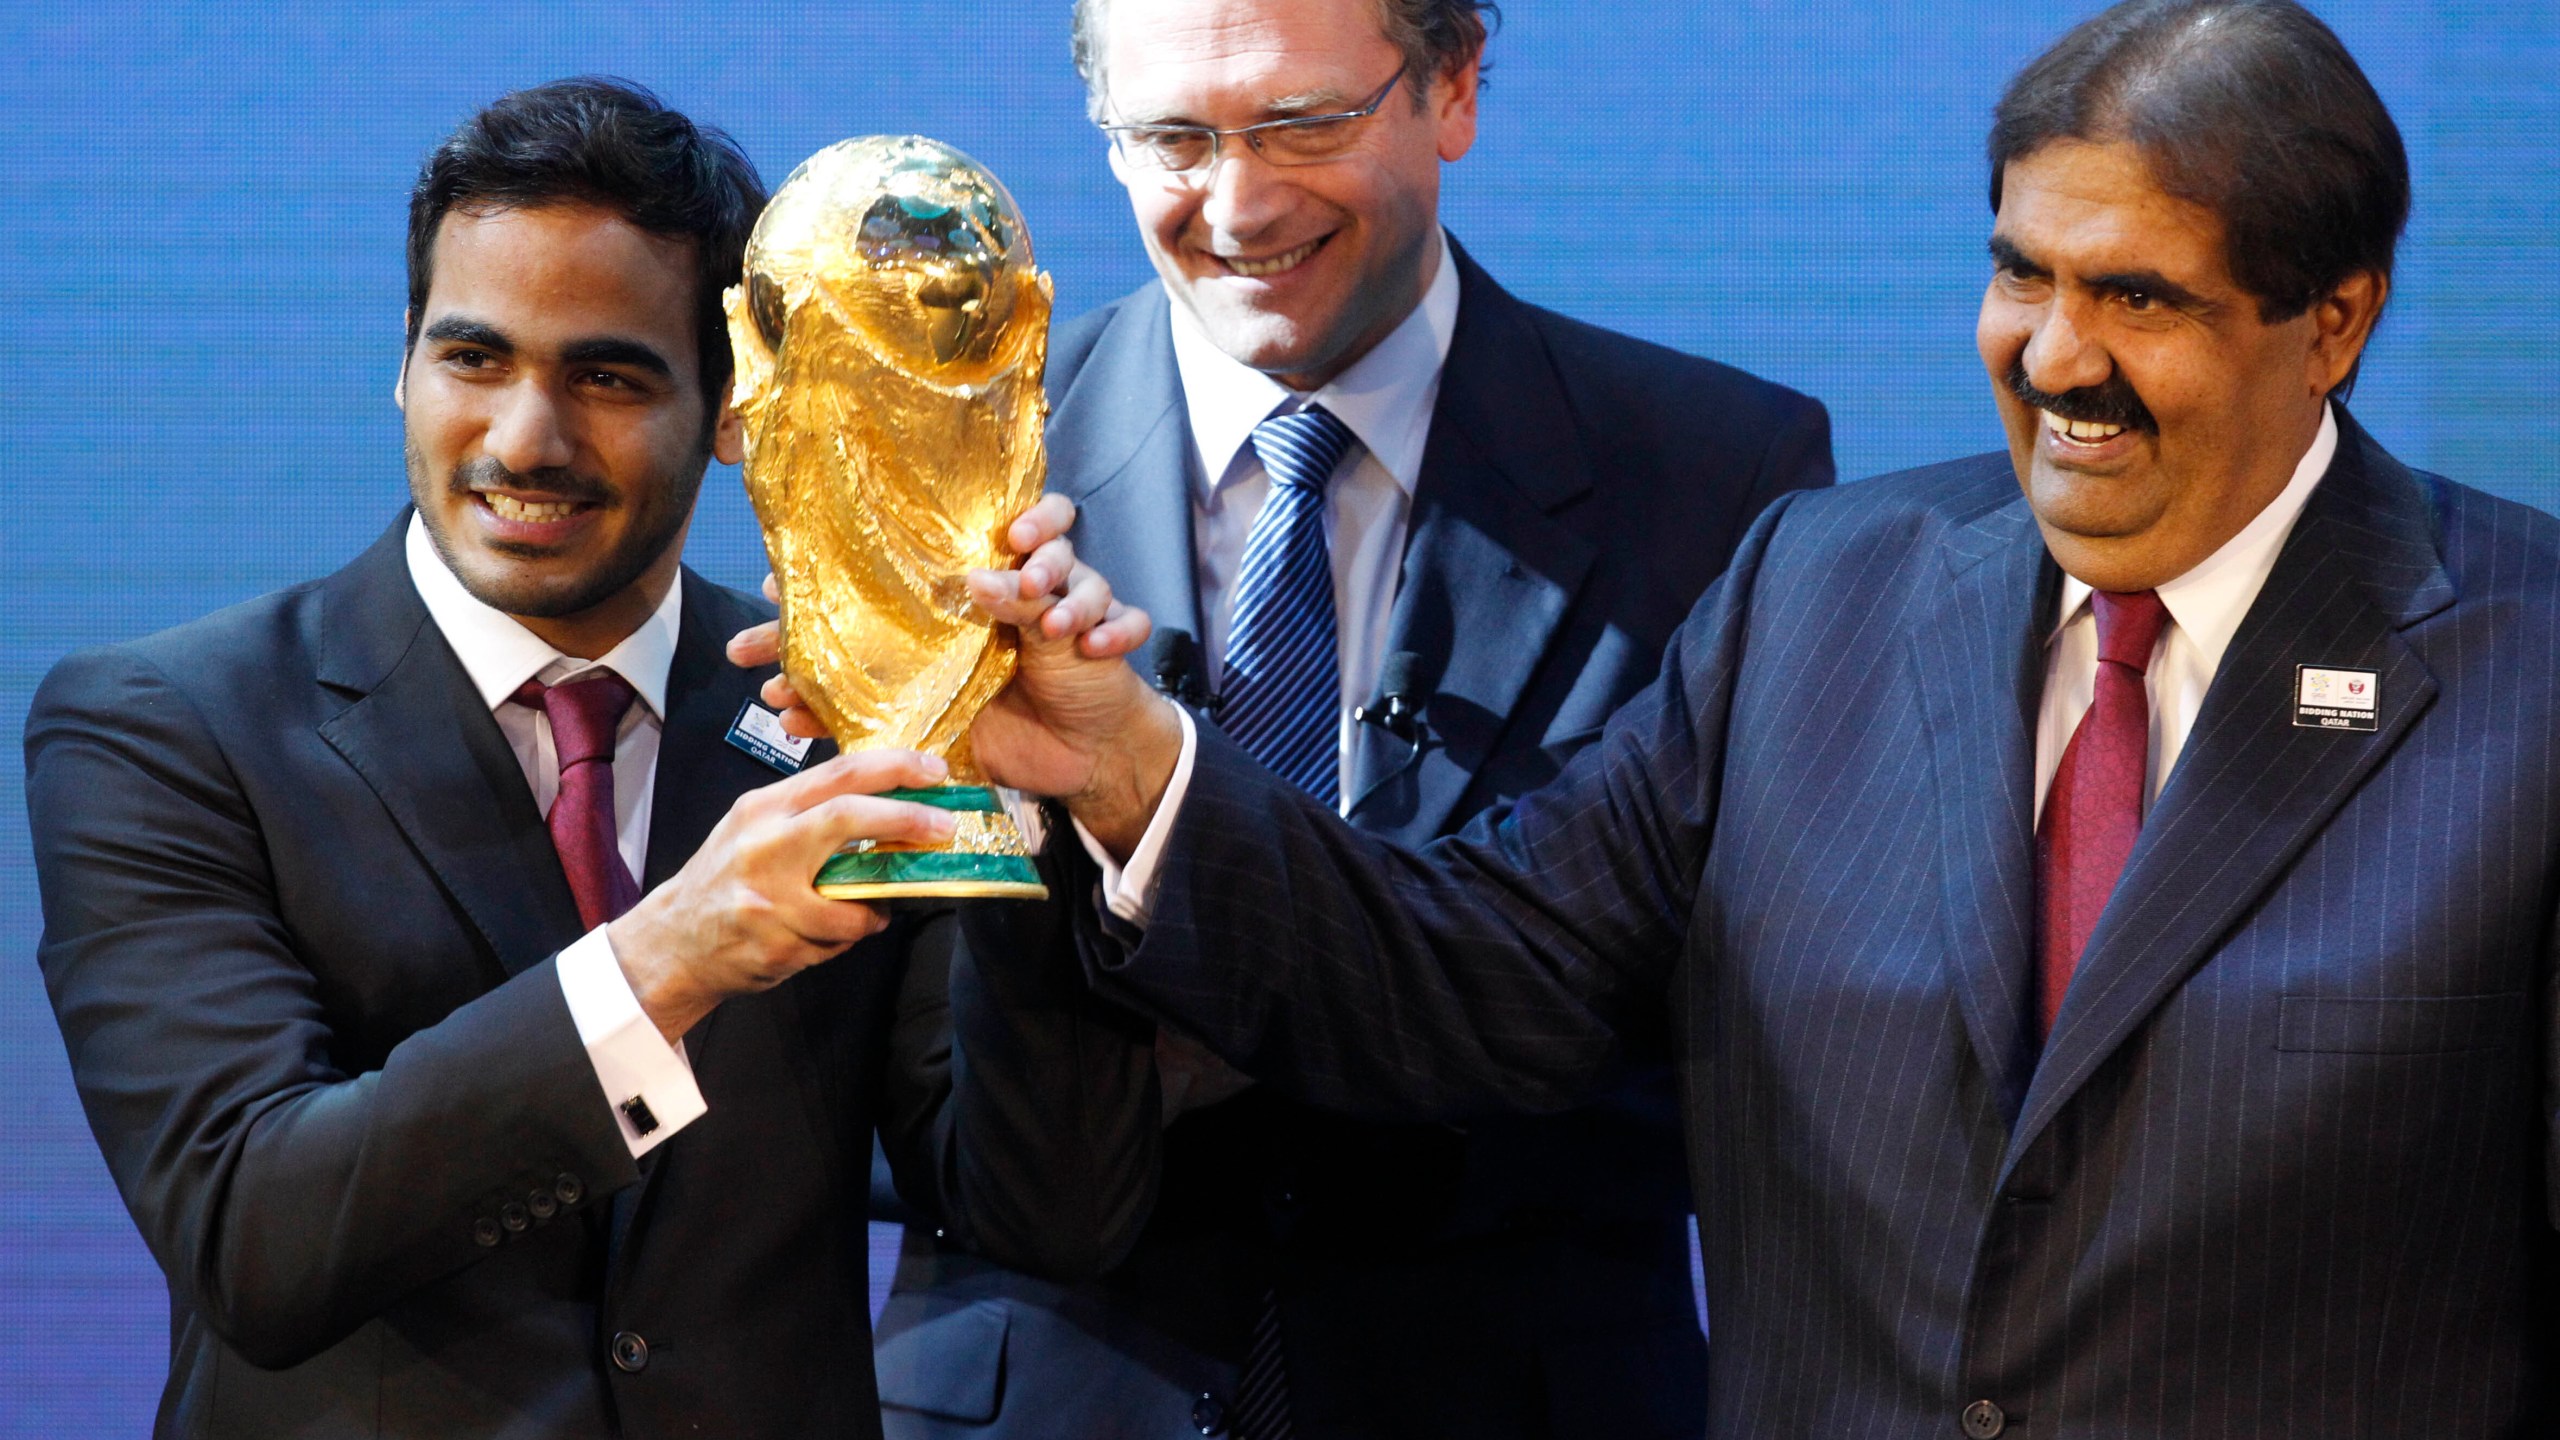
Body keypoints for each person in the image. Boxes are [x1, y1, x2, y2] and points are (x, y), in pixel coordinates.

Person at [897, 1, 2560, 1433]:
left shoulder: (2524, 667)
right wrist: (1130, 769)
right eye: (2020, 273)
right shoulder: (1824, 587)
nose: (2056, 357)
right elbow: (1479, 964)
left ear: (2334, 320)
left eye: (2139, 298)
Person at [23, 78, 1114, 1438]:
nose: (526, 440)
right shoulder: (166, 727)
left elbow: (1043, 1207)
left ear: (732, 406)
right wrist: (674, 956)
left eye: (606, 376)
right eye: (474, 358)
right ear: (403, 361)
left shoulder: (846, 711)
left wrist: (1042, 800)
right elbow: (255, 1234)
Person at [829, 0, 1829, 1435]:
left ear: (1456, 86)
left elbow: (1710, 1041)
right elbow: (876, 1072)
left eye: (1305, 124)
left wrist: (1222, 961)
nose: (1237, 204)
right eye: (1174, 137)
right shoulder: (944, 475)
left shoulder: (1721, 478)